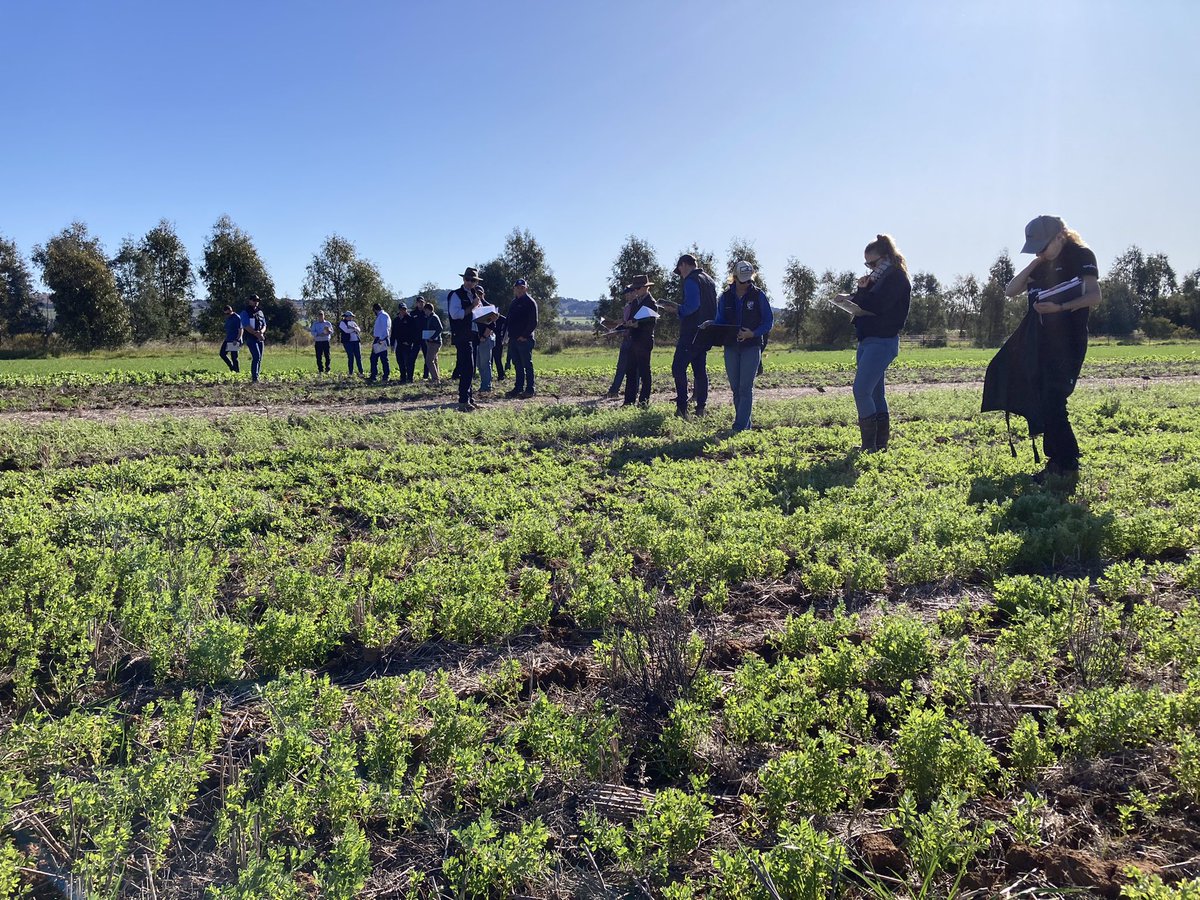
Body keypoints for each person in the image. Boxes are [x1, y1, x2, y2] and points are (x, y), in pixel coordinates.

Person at [988, 215, 1101, 483]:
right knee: (1044, 399)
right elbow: (1010, 290)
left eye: (1043, 246)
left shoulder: (1081, 255)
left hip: (1069, 342)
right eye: (1034, 248)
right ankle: (1057, 463)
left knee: (1054, 398)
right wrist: (1036, 262)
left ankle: (1068, 462)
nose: (1039, 251)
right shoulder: (1040, 264)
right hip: (1040, 343)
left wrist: (1060, 308)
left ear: (1061, 236)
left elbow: (1095, 296)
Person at [844, 235, 911, 451]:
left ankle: (869, 446)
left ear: (886, 257)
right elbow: (869, 303)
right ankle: (878, 445)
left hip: (882, 341)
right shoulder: (880, 278)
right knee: (874, 394)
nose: (870, 268)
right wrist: (854, 296)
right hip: (868, 340)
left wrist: (862, 292)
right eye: (867, 264)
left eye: (873, 263)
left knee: (861, 390)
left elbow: (877, 306)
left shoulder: (896, 278)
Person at [705, 260, 774, 432]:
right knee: (736, 387)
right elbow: (721, 320)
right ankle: (745, 425)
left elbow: (768, 321)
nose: (747, 283)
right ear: (734, 278)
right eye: (743, 280)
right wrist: (711, 324)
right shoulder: (725, 297)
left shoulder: (759, 296)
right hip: (731, 346)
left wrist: (753, 333)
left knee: (745, 387)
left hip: (752, 346)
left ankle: (739, 427)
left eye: (749, 279)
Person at [663, 253, 718, 418]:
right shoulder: (709, 280)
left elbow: (692, 306)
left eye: (680, 270)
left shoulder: (691, 280)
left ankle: (682, 409)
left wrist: (676, 309)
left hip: (691, 332)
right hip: (706, 332)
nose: (680, 275)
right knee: (700, 370)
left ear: (683, 265)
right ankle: (701, 408)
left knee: (678, 368)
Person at [621, 274, 659, 408]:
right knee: (630, 371)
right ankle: (628, 401)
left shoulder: (651, 303)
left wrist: (637, 324)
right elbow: (632, 319)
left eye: (637, 288)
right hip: (634, 339)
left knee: (644, 372)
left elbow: (651, 322)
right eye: (634, 289)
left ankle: (643, 402)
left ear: (645, 288)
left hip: (644, 341)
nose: (635, 291)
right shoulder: (635, 302)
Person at [448, 267, 482, 410]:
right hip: (462, 335)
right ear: (463, 279)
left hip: (473, 334)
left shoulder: (473, 294)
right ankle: (463, 400)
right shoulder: (456, 295)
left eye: (472, 280)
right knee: (467, 367)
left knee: (471, 368)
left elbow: (477, 313)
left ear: (475, 282)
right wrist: (472, 307)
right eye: (467, 279)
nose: (469, 282)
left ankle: (469, 398)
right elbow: (455, 314)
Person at [506, 277, 538, 398]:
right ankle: (518, 388)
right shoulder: (514, 302)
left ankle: (530, 389)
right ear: (514, 289)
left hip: (525, 340)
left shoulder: (530, 302)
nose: (519, 290)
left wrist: (524, 336)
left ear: (526, 289)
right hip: (513, 339)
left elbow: (533, 322)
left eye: (522, 288)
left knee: (527, 365)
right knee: (517, 365)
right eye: (517, 288)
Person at [603, 285, 636, 398]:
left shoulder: (636, 306)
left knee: (631, 369)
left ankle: (617, 390)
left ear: (634, 293)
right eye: (626, 293)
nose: (627, 295)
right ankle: (615, 390)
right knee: (622, 367)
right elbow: (625, 322)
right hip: (626, 340)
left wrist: (616, 331)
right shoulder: (628, 306)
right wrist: (615, 326)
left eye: (628, 293)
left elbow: (631, 325)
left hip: (633, 340)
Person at [474, 285, 496, 394]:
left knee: (485, 363)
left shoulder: (488, 307)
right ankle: (484, 383)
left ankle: (486, 385)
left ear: (483, 294)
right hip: (475, 339)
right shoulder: (473, 307)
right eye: (476, 293)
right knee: (478, 363)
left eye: (480, 293)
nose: (478, 295)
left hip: (485, 339)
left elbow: (492, 324)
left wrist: (484, 336)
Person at [240, 295, 267, 383]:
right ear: (250, 301)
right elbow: (246, 325)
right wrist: (256, 333)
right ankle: (254, 378)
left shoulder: (260, 312)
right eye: (254, 300)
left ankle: (257, 376)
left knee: (260, 358)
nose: (256, 302)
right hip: (251, 337)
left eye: (257, 300)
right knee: (256, 356)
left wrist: (261, 332)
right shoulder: (245, 312)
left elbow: (264, 324)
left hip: (260, 337)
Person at [392, 302, 421, 383]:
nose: (403, 311)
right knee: (400, 362)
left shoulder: (410, 319)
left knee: (409, 362)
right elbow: (393, 332)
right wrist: (392, 343)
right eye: (401, 309)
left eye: (404, 309)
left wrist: (409, 342)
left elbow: (414, 332)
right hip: (399, 344)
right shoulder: (396, 320)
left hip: (407, 344)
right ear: (399, 310)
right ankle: (403, 378)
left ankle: (410, 378)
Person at [369, 302, 392, 383]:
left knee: (377, 358)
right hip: (381, 338)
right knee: (380, 358)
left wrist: (381, 339)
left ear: (375, 309)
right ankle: (380, 375)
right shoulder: (382, 315)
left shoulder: (383, 316)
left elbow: (385, 329)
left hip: (381, 339)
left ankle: (377, 376)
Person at [422, 301, 443, 382]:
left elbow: (440, 328)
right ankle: (437, 378)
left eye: (425, 310)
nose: (424, 312)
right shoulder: (430, 317)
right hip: (431, 342)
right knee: (434, 360)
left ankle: (435, 378)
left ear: (428, 309)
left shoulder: (434, 317)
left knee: (429, 360)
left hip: (434, 342)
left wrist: (432, 337)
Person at [339, 311, 364, 376]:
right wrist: (354, 329)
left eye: (351, 317)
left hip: (356, 341)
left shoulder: (353, 323)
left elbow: (359, 329)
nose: (351, 318)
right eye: (350, 316)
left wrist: (353, 329)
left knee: (358, 357)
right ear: (346, 317)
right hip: (348, 342)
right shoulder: (342, 323)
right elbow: (346, 331)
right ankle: (350, 373)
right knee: (351, 357)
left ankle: (361, 372)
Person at [220, 305, 242, 372]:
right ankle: (232, 368)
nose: (227, 315)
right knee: (222, 354)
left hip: (234, 340)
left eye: (228, 313)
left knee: (234, 357)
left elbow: (241, 330)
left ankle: (237, 371)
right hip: (228, 339)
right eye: (226, 314)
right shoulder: (228, 318)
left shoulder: (237, 318)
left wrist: (237, 339)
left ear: (231, 310)